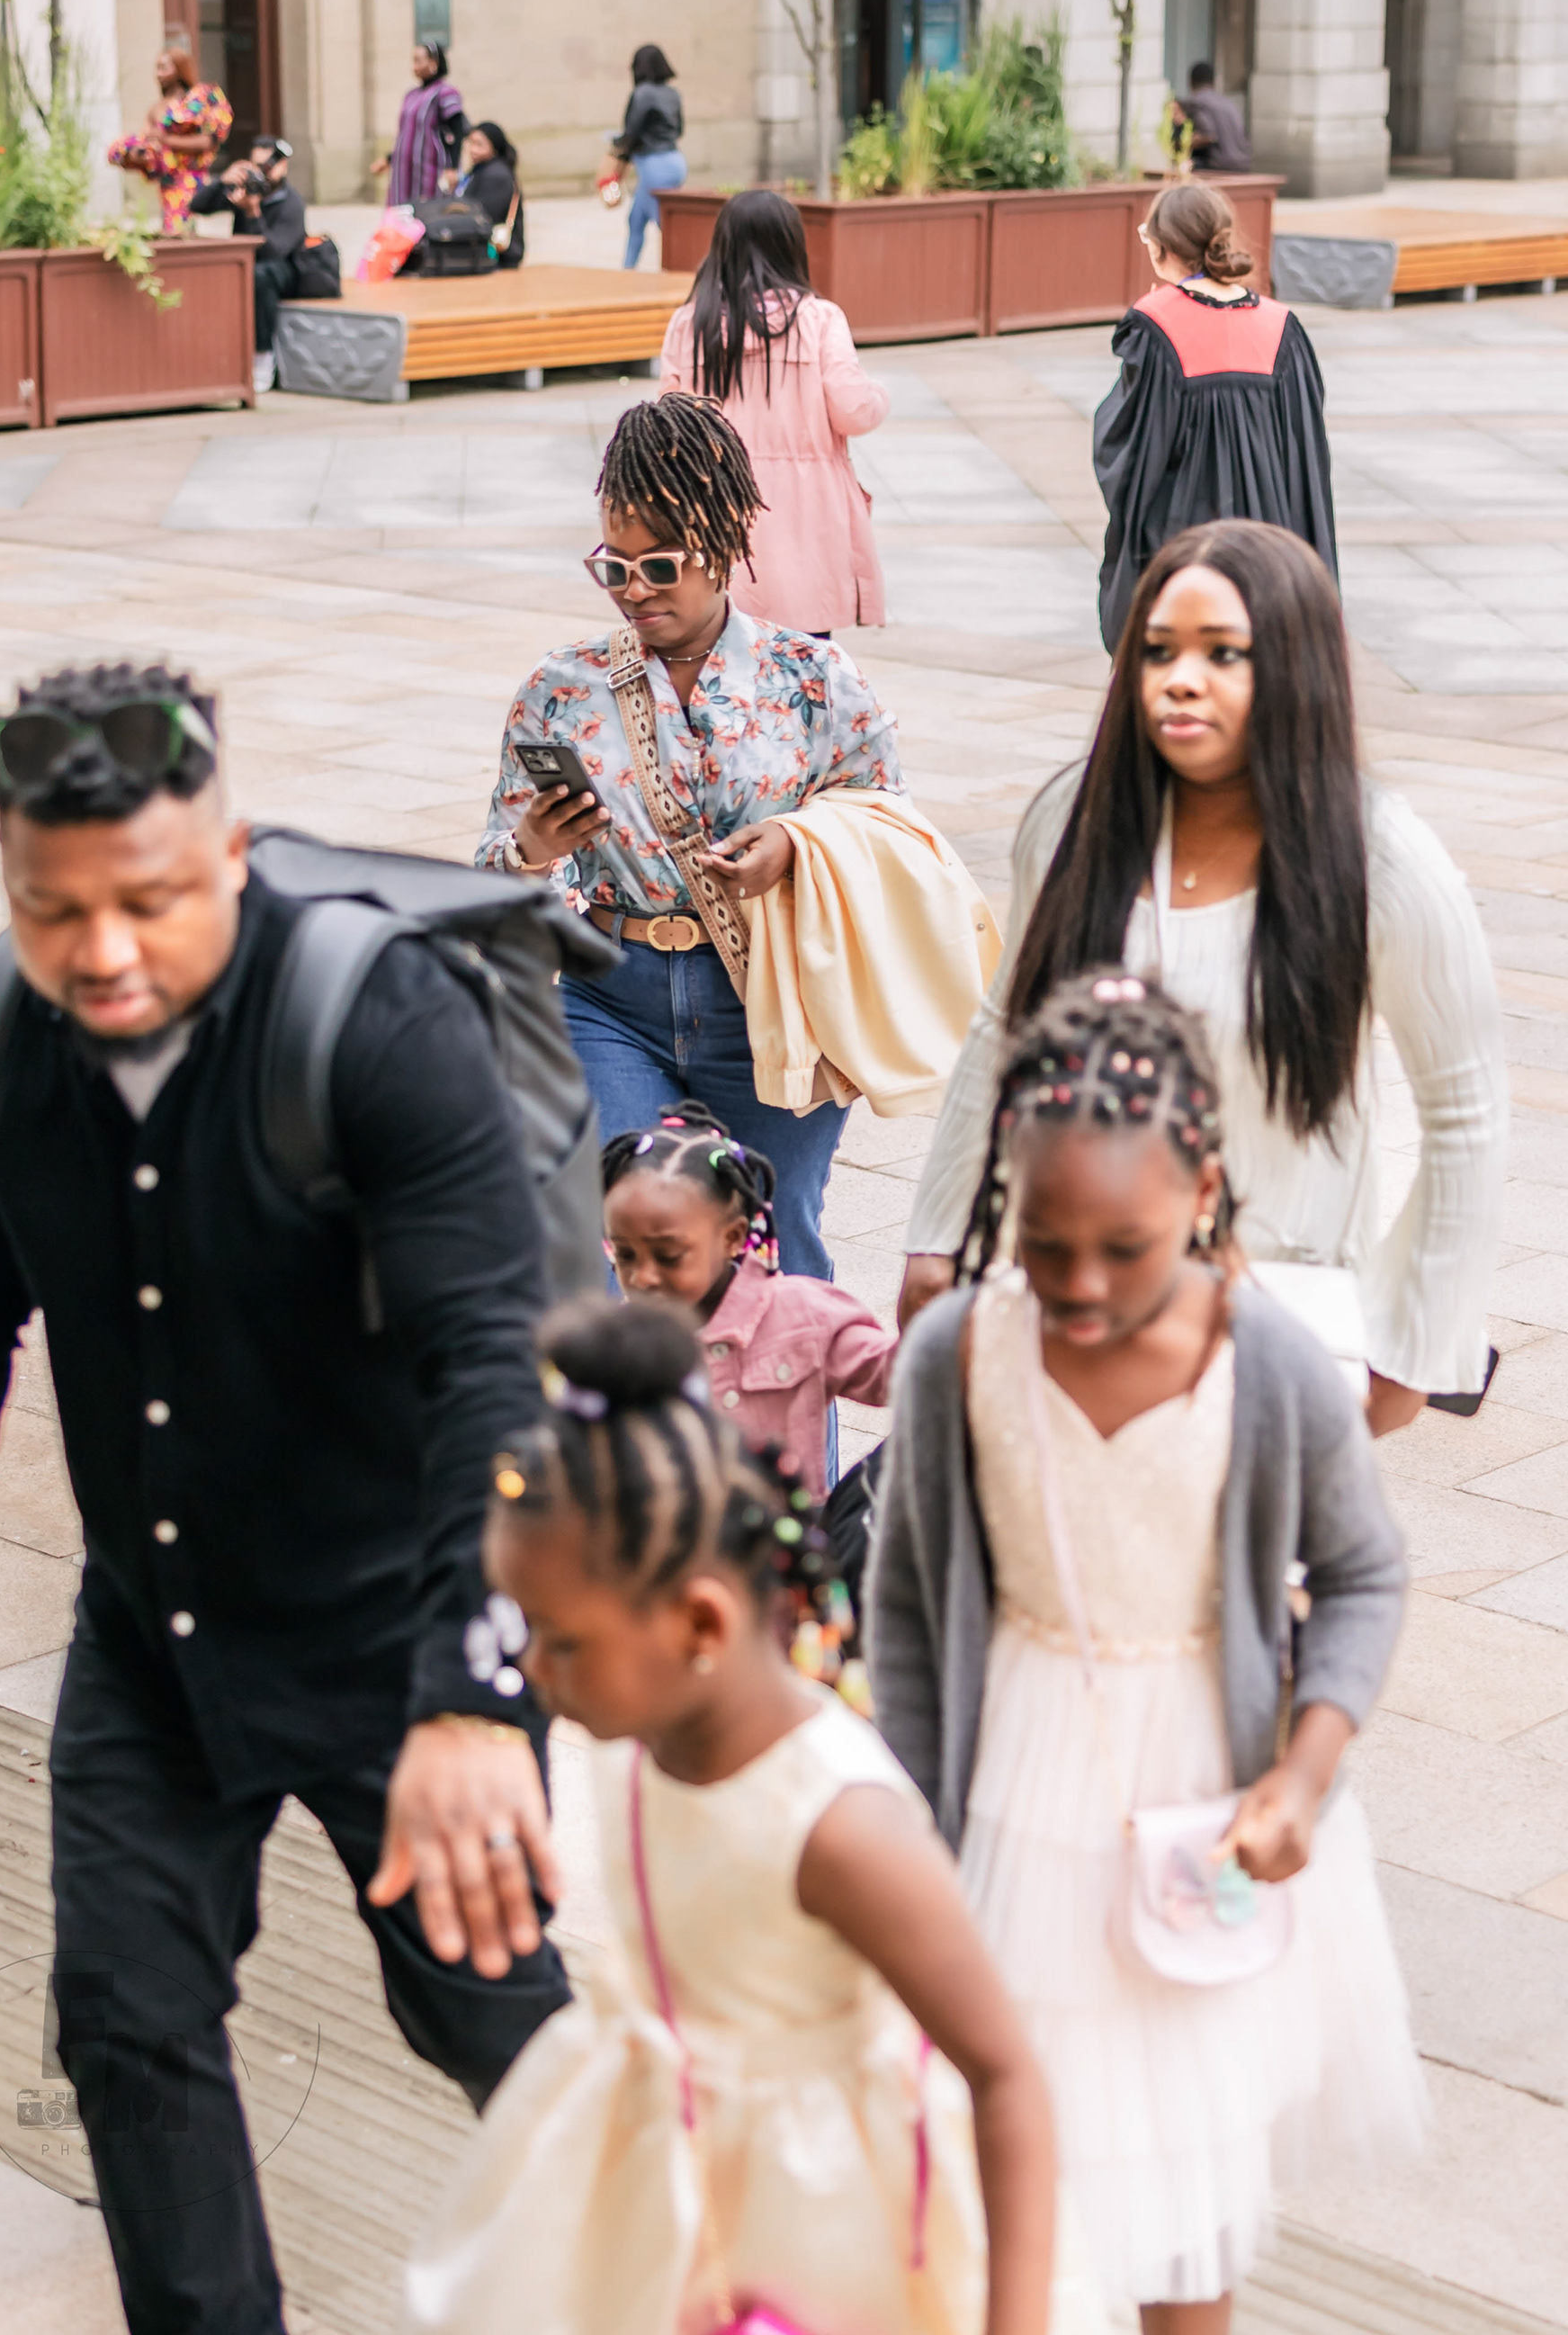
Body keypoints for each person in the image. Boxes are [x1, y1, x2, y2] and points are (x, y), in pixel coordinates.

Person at [0, 662, 571, 2335]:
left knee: (499, 2022)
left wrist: (473, 1699)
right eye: (54, 911)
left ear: (232, 856)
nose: (103, 952)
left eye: (151, 901)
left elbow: (492, 1362)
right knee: (126, 2017)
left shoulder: (377, 1027)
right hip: (152, 1636)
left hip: (401, 1629)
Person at [869, 972, 1426, 2330]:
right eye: (1045, 1243)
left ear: (1203, 1193)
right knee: (1008, 2166)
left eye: (1124, 1248)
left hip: (1203, 1797)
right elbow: (909, 1613)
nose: (1080, 1284)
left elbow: (1363, 1571)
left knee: (1186, 2178)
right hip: (1014, 1787)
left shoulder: (1269, 1363)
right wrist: (911, 1829)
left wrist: (1303, 1772)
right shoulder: (956, 1356)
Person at [407, 1294, 1090, 2335]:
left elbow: (1006, 2076)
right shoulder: (640, 1736)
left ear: (699, 1624)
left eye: (560, 1639)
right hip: (660, 2189)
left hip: (831, 2229)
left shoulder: (841, 1830)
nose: (531, 1672)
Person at [899, 521, 1507, 1433]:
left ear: (1295, 669)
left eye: (1224, 653)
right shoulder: (1072, 820)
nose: (1181, 678)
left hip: (1277, 1319)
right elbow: (1005, 1026)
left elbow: (1466, 1111)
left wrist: (1417, 1346)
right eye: (1159, 651)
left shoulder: (1381, 861)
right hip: (1071, 1300)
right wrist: (938, 1235)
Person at [476, 391, 904, 1283]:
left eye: (660, 565)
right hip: (608, 997)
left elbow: (888, 834)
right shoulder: (561, 689)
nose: (634, 589)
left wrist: (795, 845)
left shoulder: (816, 681)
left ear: (724, 543)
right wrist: (533, 853)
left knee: (771, 1253)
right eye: (613, 567)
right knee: (612, 1245)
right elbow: (494, 875)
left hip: (772, 998)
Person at [603, 1100, 896, 1498]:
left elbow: (900, 1376)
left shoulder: (804, 1315)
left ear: (733, 1237)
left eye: (668, 1255)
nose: (642, 1277)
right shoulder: (618, 1345)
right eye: (624, 1255)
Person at [1092, 181, 1336, 650]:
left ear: (1161, 246)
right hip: (1271, 547)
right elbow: (1305, 461)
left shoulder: (1156, 325)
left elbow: (1129, 450)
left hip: (1185, 548)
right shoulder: (1282, 328)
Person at [659, 187, 889, 631]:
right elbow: (855, 410)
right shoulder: (819, 319)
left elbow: (670, 425)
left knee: (721, 653)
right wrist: (879, 392)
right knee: (804, 656)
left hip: (718, 515)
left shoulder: (690, 325)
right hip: (809, 517)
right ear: (791, 246)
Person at [191, 134, 308, 391]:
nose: (261, 174)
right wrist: (222, 181)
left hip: (284, 271)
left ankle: (263, 357)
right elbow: (197, 206)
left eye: (267, 166)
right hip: (248, 266)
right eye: (257, 167)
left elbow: (274, 252)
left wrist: (253, 213)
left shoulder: (291, 203)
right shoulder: (243, 191)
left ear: (283, 166)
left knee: (260, 275)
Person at [107, 47, 233, 232]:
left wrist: (165, 139)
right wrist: (135, 154)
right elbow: (149, 145)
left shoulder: (198, 100)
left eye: (163, 68)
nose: (158, 74)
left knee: (183, 229)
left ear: (179, 69)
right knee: (172, 230)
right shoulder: (157, 108)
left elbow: (206, 142)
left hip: (193, 180)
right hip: (168, 181)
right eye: (157, 68)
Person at [608, 42, 685, 269]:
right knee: (636, 219)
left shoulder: (642, 93)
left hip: (654, 165)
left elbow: (631, 133)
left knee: (665, 223)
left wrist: (616, 149)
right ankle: (628, 269)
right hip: (675, 161)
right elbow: (679, 130)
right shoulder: (673, 94)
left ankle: (686, 267)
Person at [374, 40, 468, 207]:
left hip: (430, 169)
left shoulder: (445, 93)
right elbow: (407, 135)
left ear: (433, 63)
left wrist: (453, 168)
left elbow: (458, 130)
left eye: (418, 61)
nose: (414, 67)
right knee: (403, 213)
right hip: (405, 172)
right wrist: (389, 159)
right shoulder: (411, 95)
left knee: (429, 210)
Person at [453, 119, 524, 265]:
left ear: (494, 147)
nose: (473, 149)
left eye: (479, 145)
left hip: (500, 255)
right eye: (471, 143)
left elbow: (485, 215)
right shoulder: (480, 169)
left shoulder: (497, 175)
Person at [1171, 62, 1251, 174]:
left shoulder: (1196, 102)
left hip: (1219, 166)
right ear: (1214, 81)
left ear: (1190, 81)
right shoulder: (1228, 103)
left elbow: (1208, 135)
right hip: (1243, 165)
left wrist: (1181, 145)